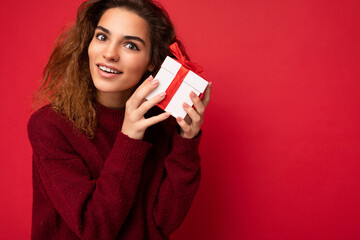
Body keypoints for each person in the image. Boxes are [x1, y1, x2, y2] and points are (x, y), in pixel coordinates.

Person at [27, 0, 211, 239]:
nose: (110, 54)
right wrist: (129, 139)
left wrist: (187, 140)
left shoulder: (161, 123)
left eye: (130, 45)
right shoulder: (50, 126)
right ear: (88, 43)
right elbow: (95, 228)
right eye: (102, 37)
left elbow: (164, 222)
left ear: (153, 61)